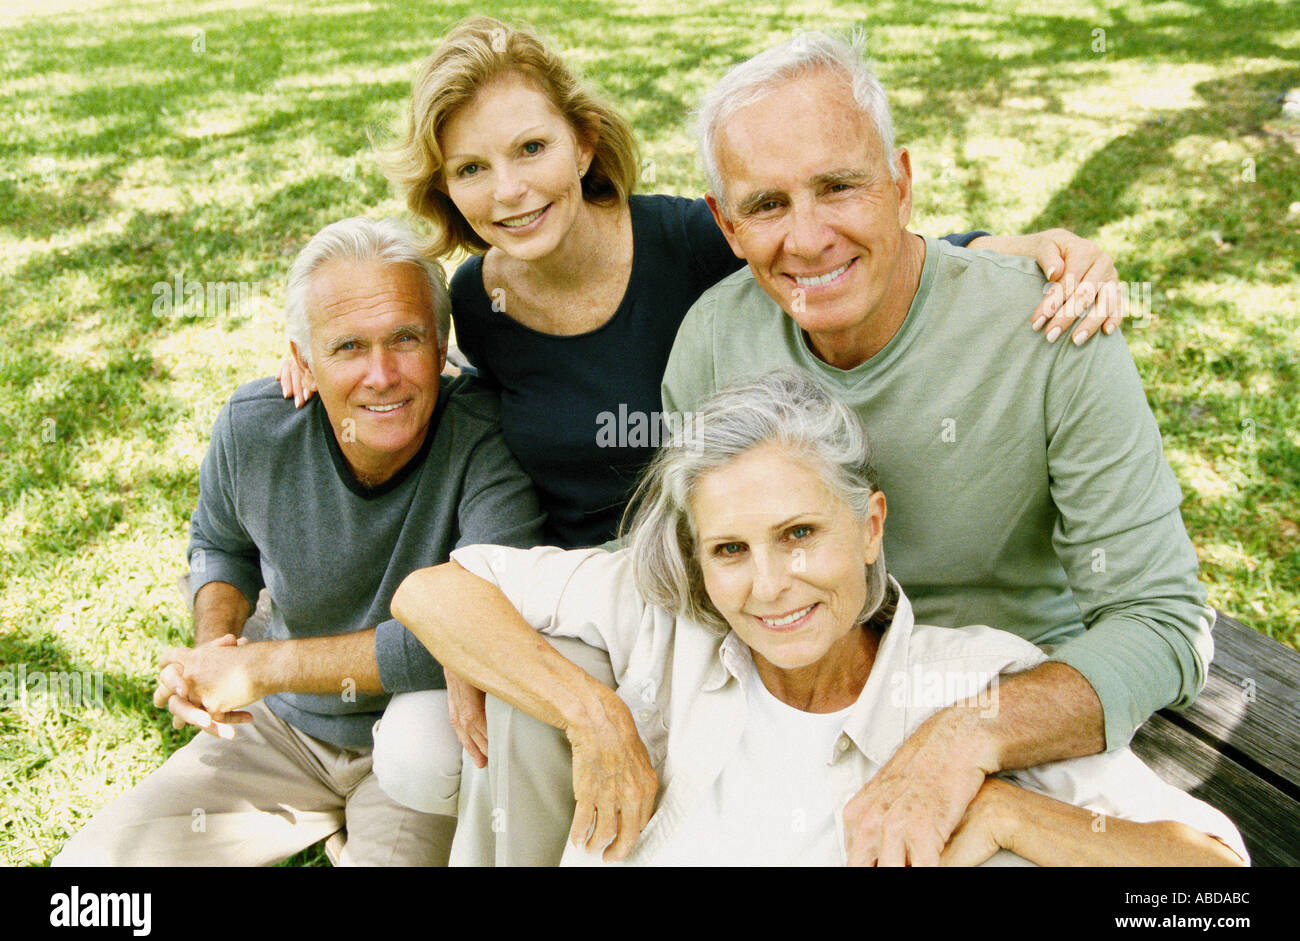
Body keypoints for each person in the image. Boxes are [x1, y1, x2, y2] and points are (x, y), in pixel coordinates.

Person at [657, 32, 1216, 865]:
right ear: (725, 225)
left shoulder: (1051, 328)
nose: (807, 239)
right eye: (768, 205)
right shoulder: (713, 337)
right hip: (799, 701)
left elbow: (1162, 621)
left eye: (839, 186)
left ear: (902, 183)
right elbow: (689, 572)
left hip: (1017, 706)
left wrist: (964, 736)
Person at [281, 15, 1122, 551]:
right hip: (571, 582)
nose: (509, 190)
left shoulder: (690, 240)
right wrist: (315, 365)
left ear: (581, 143)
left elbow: (829, 251)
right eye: (471, 167)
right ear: (447, 189)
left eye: (530, 149)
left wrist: (1011, 246)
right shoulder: (476, 302)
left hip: (720, 567)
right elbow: (429, 381)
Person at [389, 371, 1246, 867]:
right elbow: (431, 591)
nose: (768, 587)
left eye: (800, 534)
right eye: (730, 550)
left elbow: (1210, 884)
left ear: (870, 527)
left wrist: (1007, 814)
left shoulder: (968, 681)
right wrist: (593, 713)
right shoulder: (668, 621)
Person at [53, 217, 543, 866]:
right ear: (302, 358)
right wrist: (215, 652)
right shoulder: (256, 427)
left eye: (405, 338)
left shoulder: (486, 438)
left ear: (441, 341)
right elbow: (221, 544)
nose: (382, 374)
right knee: (88, 880)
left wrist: (259, 667)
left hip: (417, 738)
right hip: (278, 728)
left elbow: (479, 628)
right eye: (346, 347)